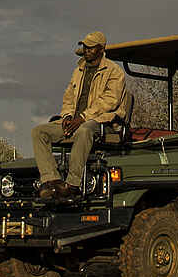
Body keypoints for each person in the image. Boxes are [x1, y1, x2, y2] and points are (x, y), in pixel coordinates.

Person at [30, 30, 128, 202]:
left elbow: (109, 101)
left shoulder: (114, 71)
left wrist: (82, 117)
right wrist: (67, 116)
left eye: (91, 47)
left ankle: (72, 185)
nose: (87, 50)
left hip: (101, 121)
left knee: (84, 130)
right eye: (85, 47)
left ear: (100, 49)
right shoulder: (79, 70)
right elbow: (68, 97)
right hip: (75, 120)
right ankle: (52, 181)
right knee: (39, 131)